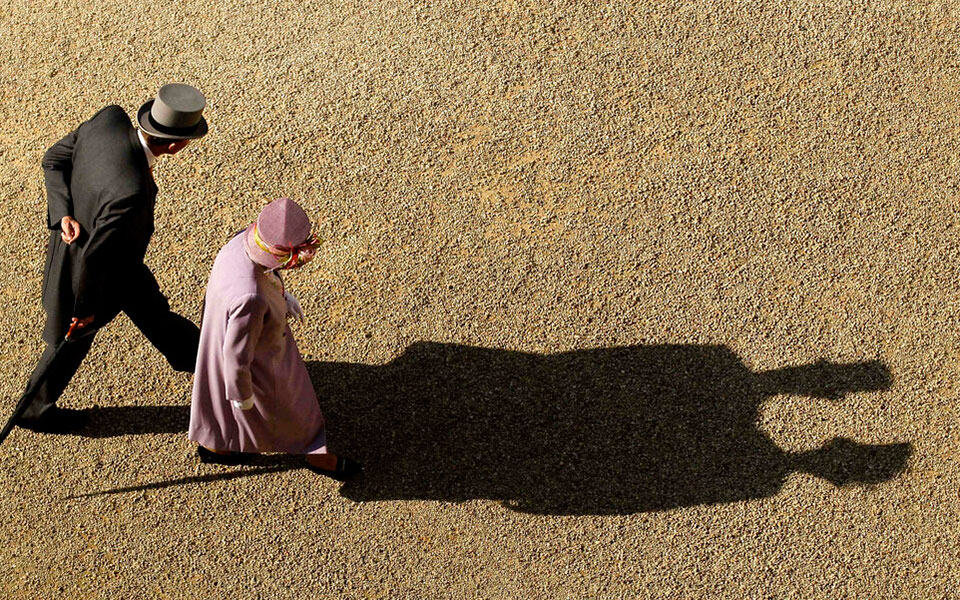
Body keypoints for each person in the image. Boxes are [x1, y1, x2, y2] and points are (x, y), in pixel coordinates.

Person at [17, 84, 209, 433]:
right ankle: (33, 410)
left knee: (154, 312)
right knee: (71, 337)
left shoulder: (109, 119)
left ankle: (202, 359)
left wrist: (63, 214)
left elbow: (54, 159)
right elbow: (94, 260)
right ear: (177, 145)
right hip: (95, 274)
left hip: (117, 260)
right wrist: (84, 309)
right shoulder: (131, 192)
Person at [188, 198, 362, 480]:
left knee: (215, 400)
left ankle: (215, 446)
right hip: (265, 357)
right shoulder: (252, 299)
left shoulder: (241, 241)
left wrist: (280, 295)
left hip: (218, 332)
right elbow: (236, 358)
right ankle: (318, 456)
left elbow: (261, 273)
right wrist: (242, 396)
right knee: (297, 407)